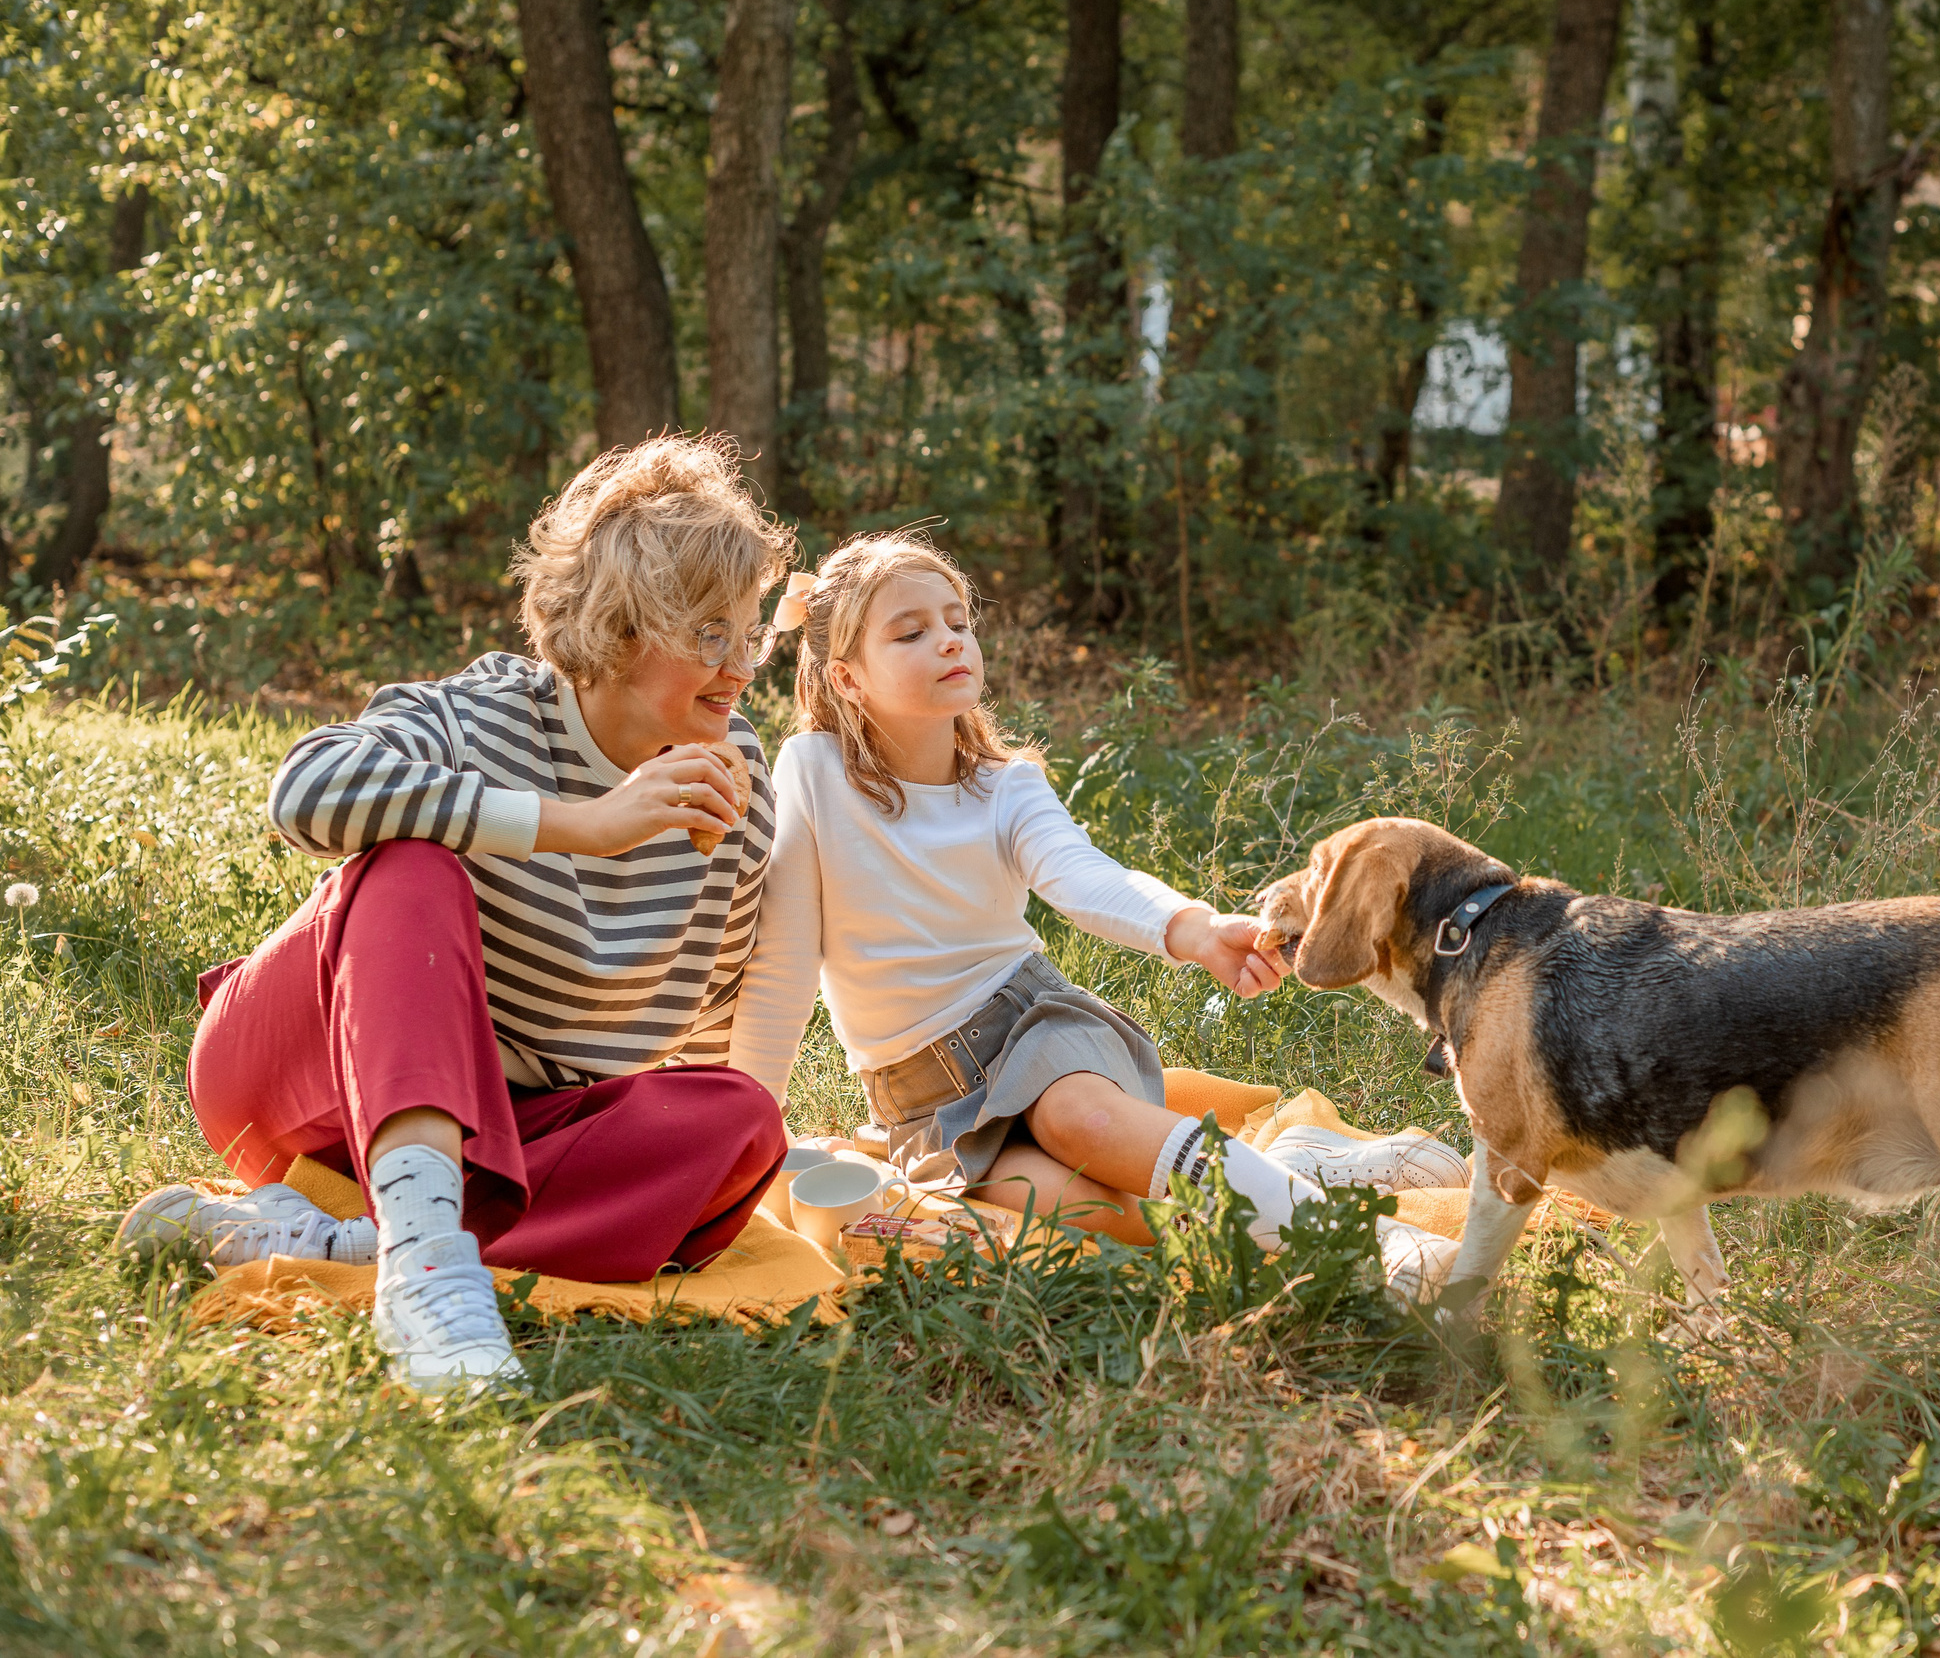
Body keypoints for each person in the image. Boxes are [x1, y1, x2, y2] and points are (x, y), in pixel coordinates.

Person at [119, 436, 797, 1392]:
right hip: (303, 1078)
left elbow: (704, 1016)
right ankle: (428, 1274)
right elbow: (304, 790)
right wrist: (582, 826)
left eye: (749, 632)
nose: (739, 669)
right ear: (618, 625)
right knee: (412, 866)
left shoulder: (734, 780)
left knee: (740, 1123)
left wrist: (694, 1162)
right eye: (709, 635)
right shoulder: (478, 715)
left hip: (501, 1132)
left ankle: (353, 1241)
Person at [728, 533, 1461, 1281]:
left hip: (1033, 1031)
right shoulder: (811, 772)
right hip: (925, 1105)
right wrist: (745, 1129)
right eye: (912, 631)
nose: (950, 641)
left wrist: (1198, 929)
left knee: (1077, 1120)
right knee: (1095, 1213)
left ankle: (1358, 1244)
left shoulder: (1003, 787)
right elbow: (783, 960)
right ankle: (1295, 1165)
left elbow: (1086, 879)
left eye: (958, 621)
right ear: (848, 679)